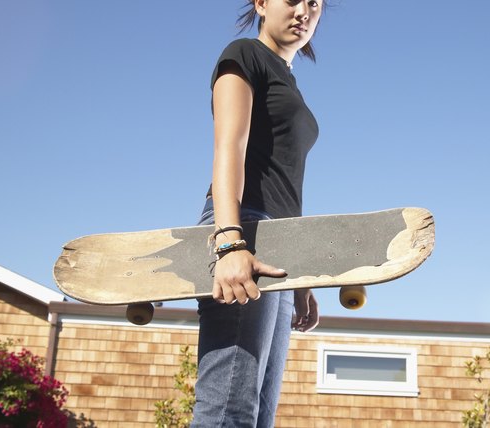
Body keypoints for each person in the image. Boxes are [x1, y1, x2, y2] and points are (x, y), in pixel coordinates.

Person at [191, 0, 324, 426]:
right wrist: (229, 241)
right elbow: (228, 147)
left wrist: (299, 272)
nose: (304, 11)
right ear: (261, 3)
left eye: (316, 3)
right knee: (228, 406)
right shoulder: (244, 55)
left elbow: (287, 184)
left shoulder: (289, 80)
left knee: (257, 415)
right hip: (243, 227)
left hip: (278, 247)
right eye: (293, 0)